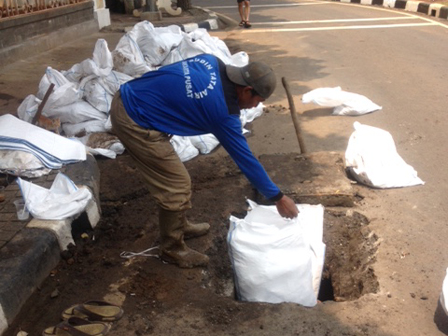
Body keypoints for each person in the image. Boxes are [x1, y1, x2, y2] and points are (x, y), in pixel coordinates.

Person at [110, 53, 299, 269]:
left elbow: (170, 77)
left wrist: (167, 112)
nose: (254, 106)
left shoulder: (210, 61)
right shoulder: (222, 113)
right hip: (134, 119)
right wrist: (278, 197)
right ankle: (171, 248)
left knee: (177, 180)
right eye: (257, 100)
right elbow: (245, 159)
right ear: (247, 90)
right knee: (177, 186)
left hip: (132, 94)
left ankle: (179, 225)